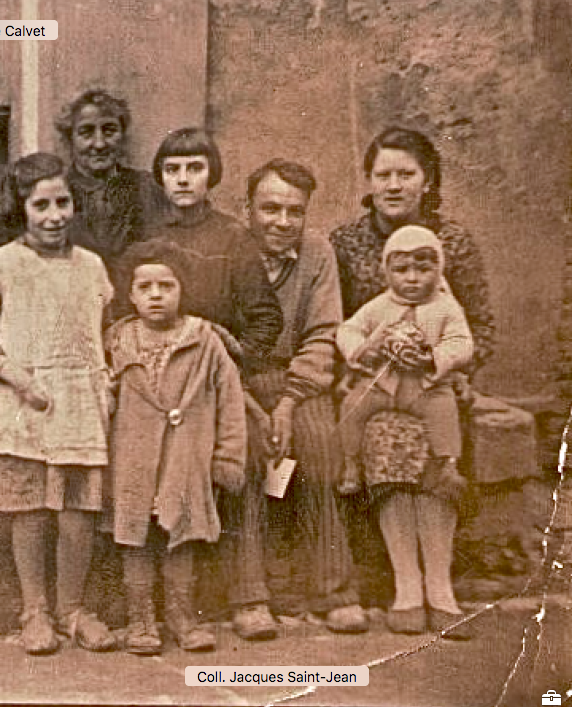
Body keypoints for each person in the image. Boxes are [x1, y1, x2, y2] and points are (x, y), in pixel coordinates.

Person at [0, 153, 117, 656]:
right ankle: (34, 609)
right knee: (28, 510)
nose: (53, 216)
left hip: (79, 402)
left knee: (76, 514)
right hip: (23, 402)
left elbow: (103, 331)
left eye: (62, 203)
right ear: (21, 207)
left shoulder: (92, 266)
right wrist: (14, 376)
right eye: (40, 205)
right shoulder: (1, 264)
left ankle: (72, 608)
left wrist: (105, 381)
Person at [141, 128, 283, 641]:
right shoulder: (147, 233)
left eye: (194, 168)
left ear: (211, 175)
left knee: (239, 456)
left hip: (217, 383)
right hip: (154, 382)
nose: (183, 178)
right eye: (173, 168)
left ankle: (249, 595)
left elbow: (266, 321)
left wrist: (229, 350)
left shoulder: (233, 238)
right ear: (160, 176)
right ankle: (144, 604)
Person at [243, 159, 369, 632]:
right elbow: (225, 340)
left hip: (301, 381)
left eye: (293, 211)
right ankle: (249, 597)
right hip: (247, 384)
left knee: (318, 453)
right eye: (269, 208)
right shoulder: (234, 252)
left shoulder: (317, 253)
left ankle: (334, 590)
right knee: (251, 458)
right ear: (249, 208)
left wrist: (291, 401)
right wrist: (258, 406)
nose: (281, 221)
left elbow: (322, 334)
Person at [106, 241, 247, 654]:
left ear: (182, 290)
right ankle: (140, 618)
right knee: (134, 535)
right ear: (130, 295)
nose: (155, 294)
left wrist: (228, 455)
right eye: (144, 286)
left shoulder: (204, 342)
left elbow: (230, 399)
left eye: (166, 286)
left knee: (181, 534)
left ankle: (182, 616)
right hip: (132, 459)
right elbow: (102, 394)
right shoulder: (119, 341)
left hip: (185, 457)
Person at [335, 225, 474, 639]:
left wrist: (435, 357)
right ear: (386, 271)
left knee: (444, 411)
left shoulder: (446, 308)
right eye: (402, 269)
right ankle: (350, 464)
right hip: (383, 388)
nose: (412, 278)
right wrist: (363, 349)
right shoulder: (378, 307)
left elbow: (462, 342)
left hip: (425, 388)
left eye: (423, 268)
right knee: (351, 408)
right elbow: (347, 330)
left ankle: (448, 466)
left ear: (439, 268)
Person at [330, 127, 494, 379]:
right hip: (363, 376)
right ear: (370, 181)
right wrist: (351, 364)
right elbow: (333, 324)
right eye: (383, 175)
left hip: (436, 378)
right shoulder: (345, 242)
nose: (393, 186)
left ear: (427, 181)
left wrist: (454, 373)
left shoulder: (453, 242)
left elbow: (480, 327)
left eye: (406, 175)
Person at [56, 89, 167, 267]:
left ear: (122, 136)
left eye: (109, 131)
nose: (99, 144)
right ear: (70, 139)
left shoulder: (147, 187)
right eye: (86, 132)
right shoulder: (56, 191)